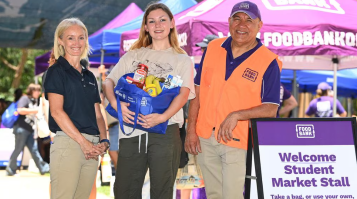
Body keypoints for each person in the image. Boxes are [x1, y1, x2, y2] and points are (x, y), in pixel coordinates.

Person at [185, 1, 282, 198]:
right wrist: (191, 130)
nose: (242, 25)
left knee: (232, 196)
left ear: (259, 25)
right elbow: (197, 90)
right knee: (213, 194)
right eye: (237, 19)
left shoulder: (269, 61)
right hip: (204, 137)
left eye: (249, 20)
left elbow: (271, 108)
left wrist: (237, 115)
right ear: (229, 22)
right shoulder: (212, 47)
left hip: (236, 140)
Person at [103, 3, 195, 198]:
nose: (157, 25)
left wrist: (162, 117)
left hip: (166, 131)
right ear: (145, 27)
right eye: (151, 21)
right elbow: (108, 81)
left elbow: (184, 94)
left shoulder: (183, 59)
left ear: (171, 23)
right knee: (125, 190)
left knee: (162, 191)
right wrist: (115, 103)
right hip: (131, 131)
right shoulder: (134, 55)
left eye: (162, 20)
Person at [44, 18, 108, 199]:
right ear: (60, 40)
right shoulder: (56, 71)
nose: (76, 43)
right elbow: (57, 112)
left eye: (81, 37)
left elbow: (98, 114)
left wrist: (103, 141)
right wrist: (83, 142)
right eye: (70, 38)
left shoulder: (89, 75)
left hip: (92, 146)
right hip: (69, 143)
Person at [6, 84, 50, 176]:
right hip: (21, 129)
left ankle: (44, 168)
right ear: (31, 91)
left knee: (34, 150)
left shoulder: (34, 101)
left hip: (29, 130)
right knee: (18, 149)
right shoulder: (25, 98)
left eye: (39, 90)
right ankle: (10, 169)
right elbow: (20, 110)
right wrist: (35, 111)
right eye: (36, 90)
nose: (38, 92)